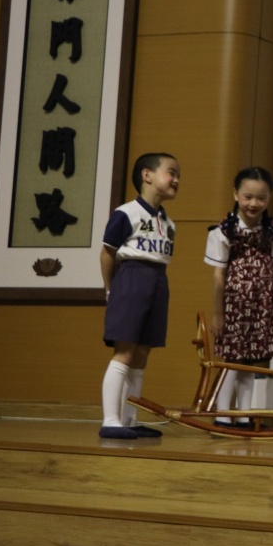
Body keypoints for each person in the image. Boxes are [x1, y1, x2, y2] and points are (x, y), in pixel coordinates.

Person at [98, 153, 180, 439]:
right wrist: (111, 288)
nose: (177, 180)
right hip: (131, 278)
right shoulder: (126, 213)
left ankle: (129, 420)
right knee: (125, 351)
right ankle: (111, 420)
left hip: (158, 280)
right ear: (147, 175)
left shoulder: (169, 223)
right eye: (171, 172)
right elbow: (107, 253)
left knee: (143, 353)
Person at [203, 167, 273, 428]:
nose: (254, 203)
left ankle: (243, 414)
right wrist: (218, 314)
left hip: (262, 303)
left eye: (261, 198)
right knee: (232, 359)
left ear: (269, 197)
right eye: (247, 197)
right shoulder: (224, 230)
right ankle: (222, 414)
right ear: (236, 194)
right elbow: (218, 276)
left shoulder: (271, 230)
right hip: (234, 304)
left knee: (251, 359)